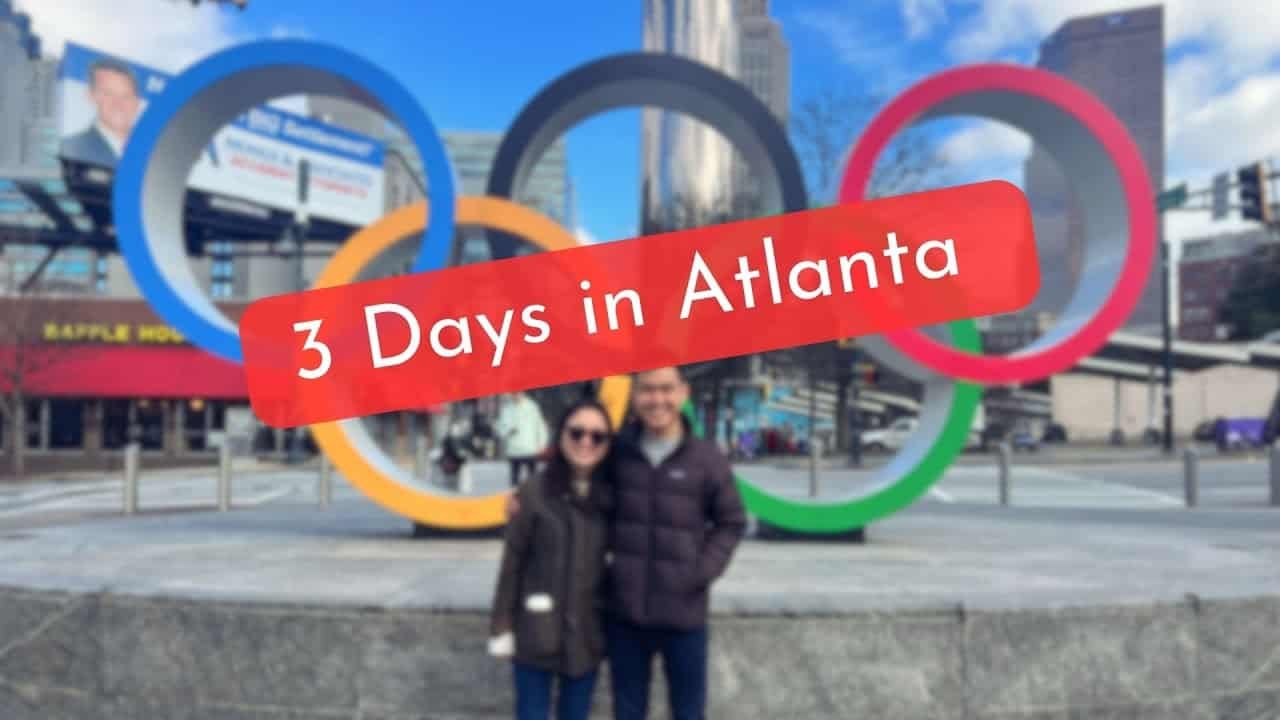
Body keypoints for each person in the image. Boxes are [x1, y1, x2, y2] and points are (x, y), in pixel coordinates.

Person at [506, 366, 747, 720]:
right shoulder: (618, 452)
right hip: (626, 615)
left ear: (683, 394)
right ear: (634, 396)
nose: (657, 400)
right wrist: (526, 494)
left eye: (666, 390)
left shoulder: (706, 459)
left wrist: (700, 571)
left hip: (685, 614)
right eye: (648, 390)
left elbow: (732, 521)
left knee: (689, 711)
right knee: (628, 711)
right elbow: (573, 469)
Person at [488, 399, 616, 720]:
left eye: (597, 436)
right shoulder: (533, 492)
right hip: (535, 635)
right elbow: (512, 563)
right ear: (561, 436)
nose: (586, 442)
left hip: (587, 639)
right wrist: (501, 625)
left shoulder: (613, 496)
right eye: (577, 433)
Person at [61, 58, 141, 169]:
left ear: (136, 102)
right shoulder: (68, 149)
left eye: (126, 96)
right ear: (91, 96)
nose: (118, 104)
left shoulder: (155, 155)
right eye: (108, 94)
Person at [496, 392, 550, 487]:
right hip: (514, 450)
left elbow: (540, 426)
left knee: (532, 478)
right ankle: (515, 497)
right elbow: (499, 428)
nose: (516, 395)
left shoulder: (532, 407)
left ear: (523, 393)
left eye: (519, 392)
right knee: (514, 480)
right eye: (514, 393)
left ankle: (533, 497)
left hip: (529, 449)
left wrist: (542, 444)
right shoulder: (507, 409)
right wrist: (508, 431)